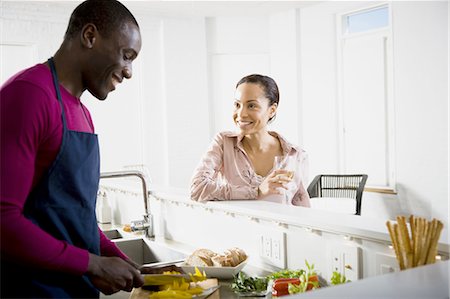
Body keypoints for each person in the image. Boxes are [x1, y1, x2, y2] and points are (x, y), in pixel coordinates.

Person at [0, 1, 147, 297]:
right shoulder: (29, 96)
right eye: (126, 56)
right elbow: (3, 218)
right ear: (90, 36)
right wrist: (93, 265)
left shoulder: (82, 114)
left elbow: (75, 218)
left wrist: (120, 261)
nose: (129, 72)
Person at [190, 74, 311, 207]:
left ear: (272, 110)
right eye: (237, 104)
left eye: (252, 105)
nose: (241, 114)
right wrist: (256, 192)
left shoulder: (295, 156)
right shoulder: (224, 143)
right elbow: (197, 189)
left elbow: (302, 209)